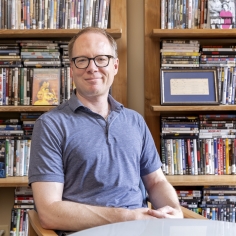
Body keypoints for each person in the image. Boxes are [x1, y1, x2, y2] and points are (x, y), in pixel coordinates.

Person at [28, 27, 183, 234]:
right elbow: (49, 212)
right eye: (82, 60)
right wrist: (129, 217)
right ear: (71, 69)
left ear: (115, 65)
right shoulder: (50, 125)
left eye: (101, 59)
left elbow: (156, 182)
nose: (92, 68)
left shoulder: (135, 121)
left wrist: (174, 210)